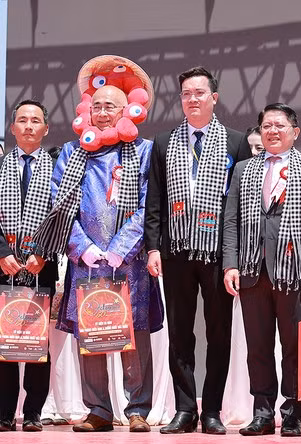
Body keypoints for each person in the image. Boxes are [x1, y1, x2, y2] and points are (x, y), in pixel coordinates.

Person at [34, 55, 164, 433]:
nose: (103, 112)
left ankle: (137, 407)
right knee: (92, 334)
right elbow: (59, 205)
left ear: (128, 110)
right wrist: (85, 248)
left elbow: (148, 205)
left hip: (131, 261)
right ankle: (98, 410)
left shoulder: (143, 151)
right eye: (98, 106)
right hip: (85, 260)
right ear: (86, 110)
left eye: (111, 106)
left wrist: (121, 247)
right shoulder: (72, 154)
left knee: (134, 334)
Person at [144, 66, 251, 435]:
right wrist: (153, 247)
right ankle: (185, 409)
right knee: (180, 333)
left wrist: (235, 255)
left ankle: (212, 411)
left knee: (219, 332)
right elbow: (154, 200)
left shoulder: (236, 143)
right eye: (186, 94)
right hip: (175, 251)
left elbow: (239, 206)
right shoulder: (163, 142)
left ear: (214, 98)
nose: (192, 100)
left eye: (199, 93)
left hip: (218, 254)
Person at [222, 103, 301, 437]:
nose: (272, 131)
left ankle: (293, 412)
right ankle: (263, 412)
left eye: (279, 125)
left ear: (294, 132)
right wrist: (230, 264)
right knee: (258, 347)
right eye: (266, 125)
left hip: (294, 271)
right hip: (253, 270)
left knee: (294, 347)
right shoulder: (243, 169)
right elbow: (231, 221)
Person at [0, 100, 59, 432]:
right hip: (2, 266)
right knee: (2, 340)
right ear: (13, 129)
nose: (28, 126)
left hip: (41, 265)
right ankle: (4, 412)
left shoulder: (57, 168)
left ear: (45, 128)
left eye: (35, 120)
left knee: (39, 342)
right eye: (21, 120)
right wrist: (0, 252)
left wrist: (44, 253)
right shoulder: (0, 165)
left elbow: (62, 216)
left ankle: (34, 411)